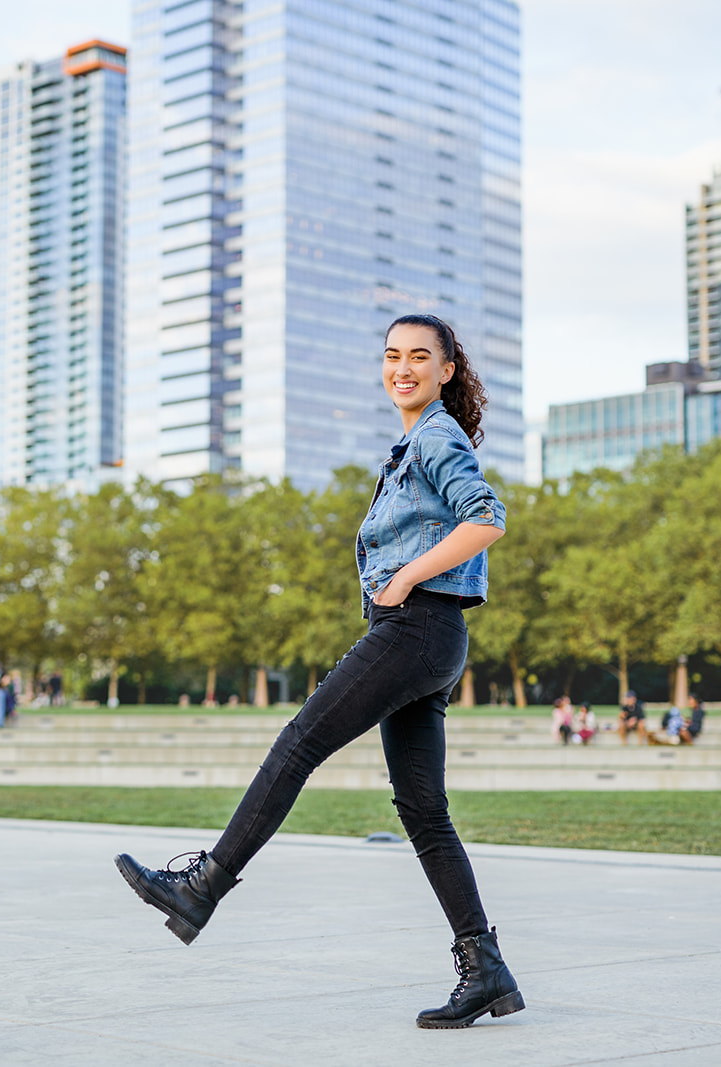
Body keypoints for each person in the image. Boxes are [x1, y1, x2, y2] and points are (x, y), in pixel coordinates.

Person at [115, 314, 522, 1030]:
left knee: (300, 740)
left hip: (417, 624)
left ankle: (202, 884)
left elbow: (486, 517)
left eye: (420, 356)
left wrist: (402, 583)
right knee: (424, 812)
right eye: (392, 355)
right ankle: (484, 966)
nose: (403, 367)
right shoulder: (414, 443)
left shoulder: (435, 435)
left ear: (447, 369)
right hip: (432, 635)